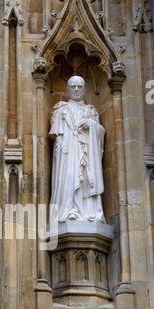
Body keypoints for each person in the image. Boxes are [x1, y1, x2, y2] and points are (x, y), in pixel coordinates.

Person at [50, 76, 106, 223]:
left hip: (87, 153)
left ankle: (89, 212)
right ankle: (68, 210)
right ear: (67, 90)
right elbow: (57, 137)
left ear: (84, 90)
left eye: (79, 87)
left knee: (86, 179)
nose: (76, 89)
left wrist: (92, 125)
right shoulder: (61, 109)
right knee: (68, 177)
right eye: (73, 86)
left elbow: (100, 136)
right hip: (67, 153)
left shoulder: (91, 111)